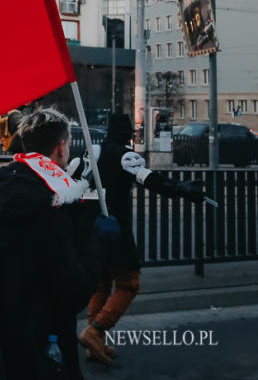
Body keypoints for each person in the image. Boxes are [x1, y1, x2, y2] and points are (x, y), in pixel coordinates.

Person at [0, 108, 118, 380]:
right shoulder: (51, 203)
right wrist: (98, 240)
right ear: (61, 146)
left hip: (2, 334)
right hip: (45, 345)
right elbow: (73, 291)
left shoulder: (2, 186)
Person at [78, 113, 206, 364]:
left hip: (92, 227)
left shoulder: (93, 151)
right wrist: (182, 189)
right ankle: (95, 331)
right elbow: (150, 180)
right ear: (128, 134)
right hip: (116, 228)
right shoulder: (127, 155)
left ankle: (95, 344)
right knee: (128, 283)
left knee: (101, 282)